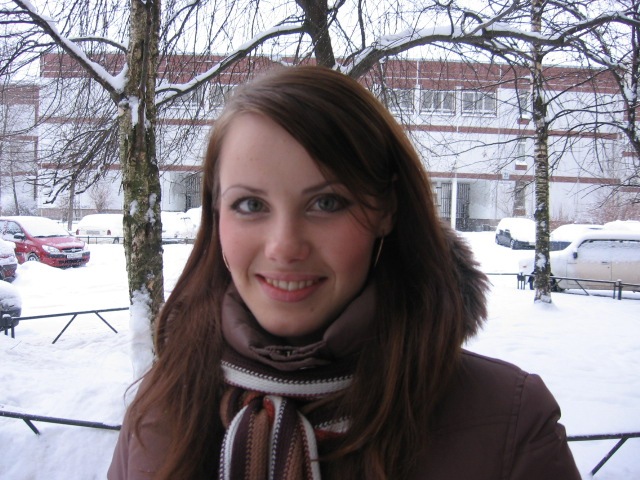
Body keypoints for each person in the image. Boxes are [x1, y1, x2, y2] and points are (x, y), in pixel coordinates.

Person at [108, 66, 580, 480]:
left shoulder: (509, 422)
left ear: (385, 209)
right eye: (250, 204)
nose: (284, 247)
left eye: (327, 203)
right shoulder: (160, 407)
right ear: (216, 214)